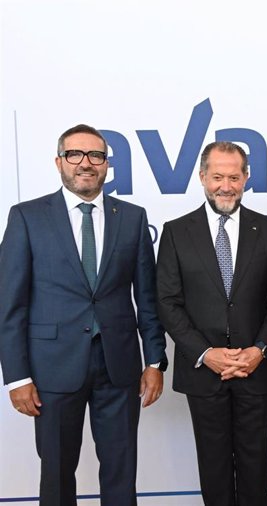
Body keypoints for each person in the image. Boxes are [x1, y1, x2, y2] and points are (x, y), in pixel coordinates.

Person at [0, 124, 167, 506]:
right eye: (75, 154)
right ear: (59, 162)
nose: (86, 163)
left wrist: (155, 360)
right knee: (57, 474)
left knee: (121, 473)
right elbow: (10, 304)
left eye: (96, 155)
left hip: (119, 367)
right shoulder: (27, 217)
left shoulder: (133, 217)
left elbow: (147, 297)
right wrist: (16, 377)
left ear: (107, 165)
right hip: (52, 370)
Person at [156, 141, 267, 506]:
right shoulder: (176, 231)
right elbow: (167, 302)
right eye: (217, 177)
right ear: (202, 177)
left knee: (254, 467)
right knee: (213, 470)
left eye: (233, 177)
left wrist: (259, 349)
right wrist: (204, 352)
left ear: (246, 178)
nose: (225, 186)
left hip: (255, 370)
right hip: (203, 371)